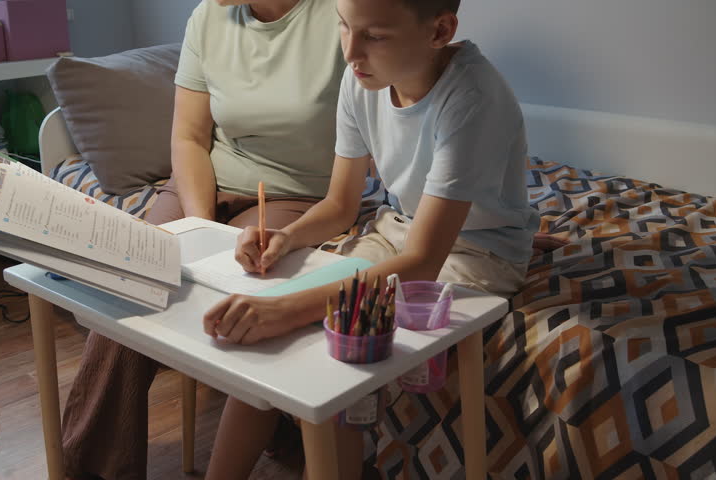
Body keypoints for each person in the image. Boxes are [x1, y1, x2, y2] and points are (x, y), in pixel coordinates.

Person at [201, 0, 541, 477]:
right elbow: (340, 206)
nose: (351, 52)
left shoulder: (473, 98)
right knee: (273, 337)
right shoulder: (362, 81)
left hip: (477, 254)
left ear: (440, 31)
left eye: (375, 36)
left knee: (342, 346)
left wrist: (286, 309)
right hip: (397, 228)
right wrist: (287, 236)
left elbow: (423, 261)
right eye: (344, 27)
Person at [60, 1, 346, 478]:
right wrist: (201, 227)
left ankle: (274, 419)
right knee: (131, 285)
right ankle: (90, 467)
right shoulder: (209, 16)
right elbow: (190, 137)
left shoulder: (340, 16)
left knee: (233, 288)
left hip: (295, 192)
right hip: (204, 182)